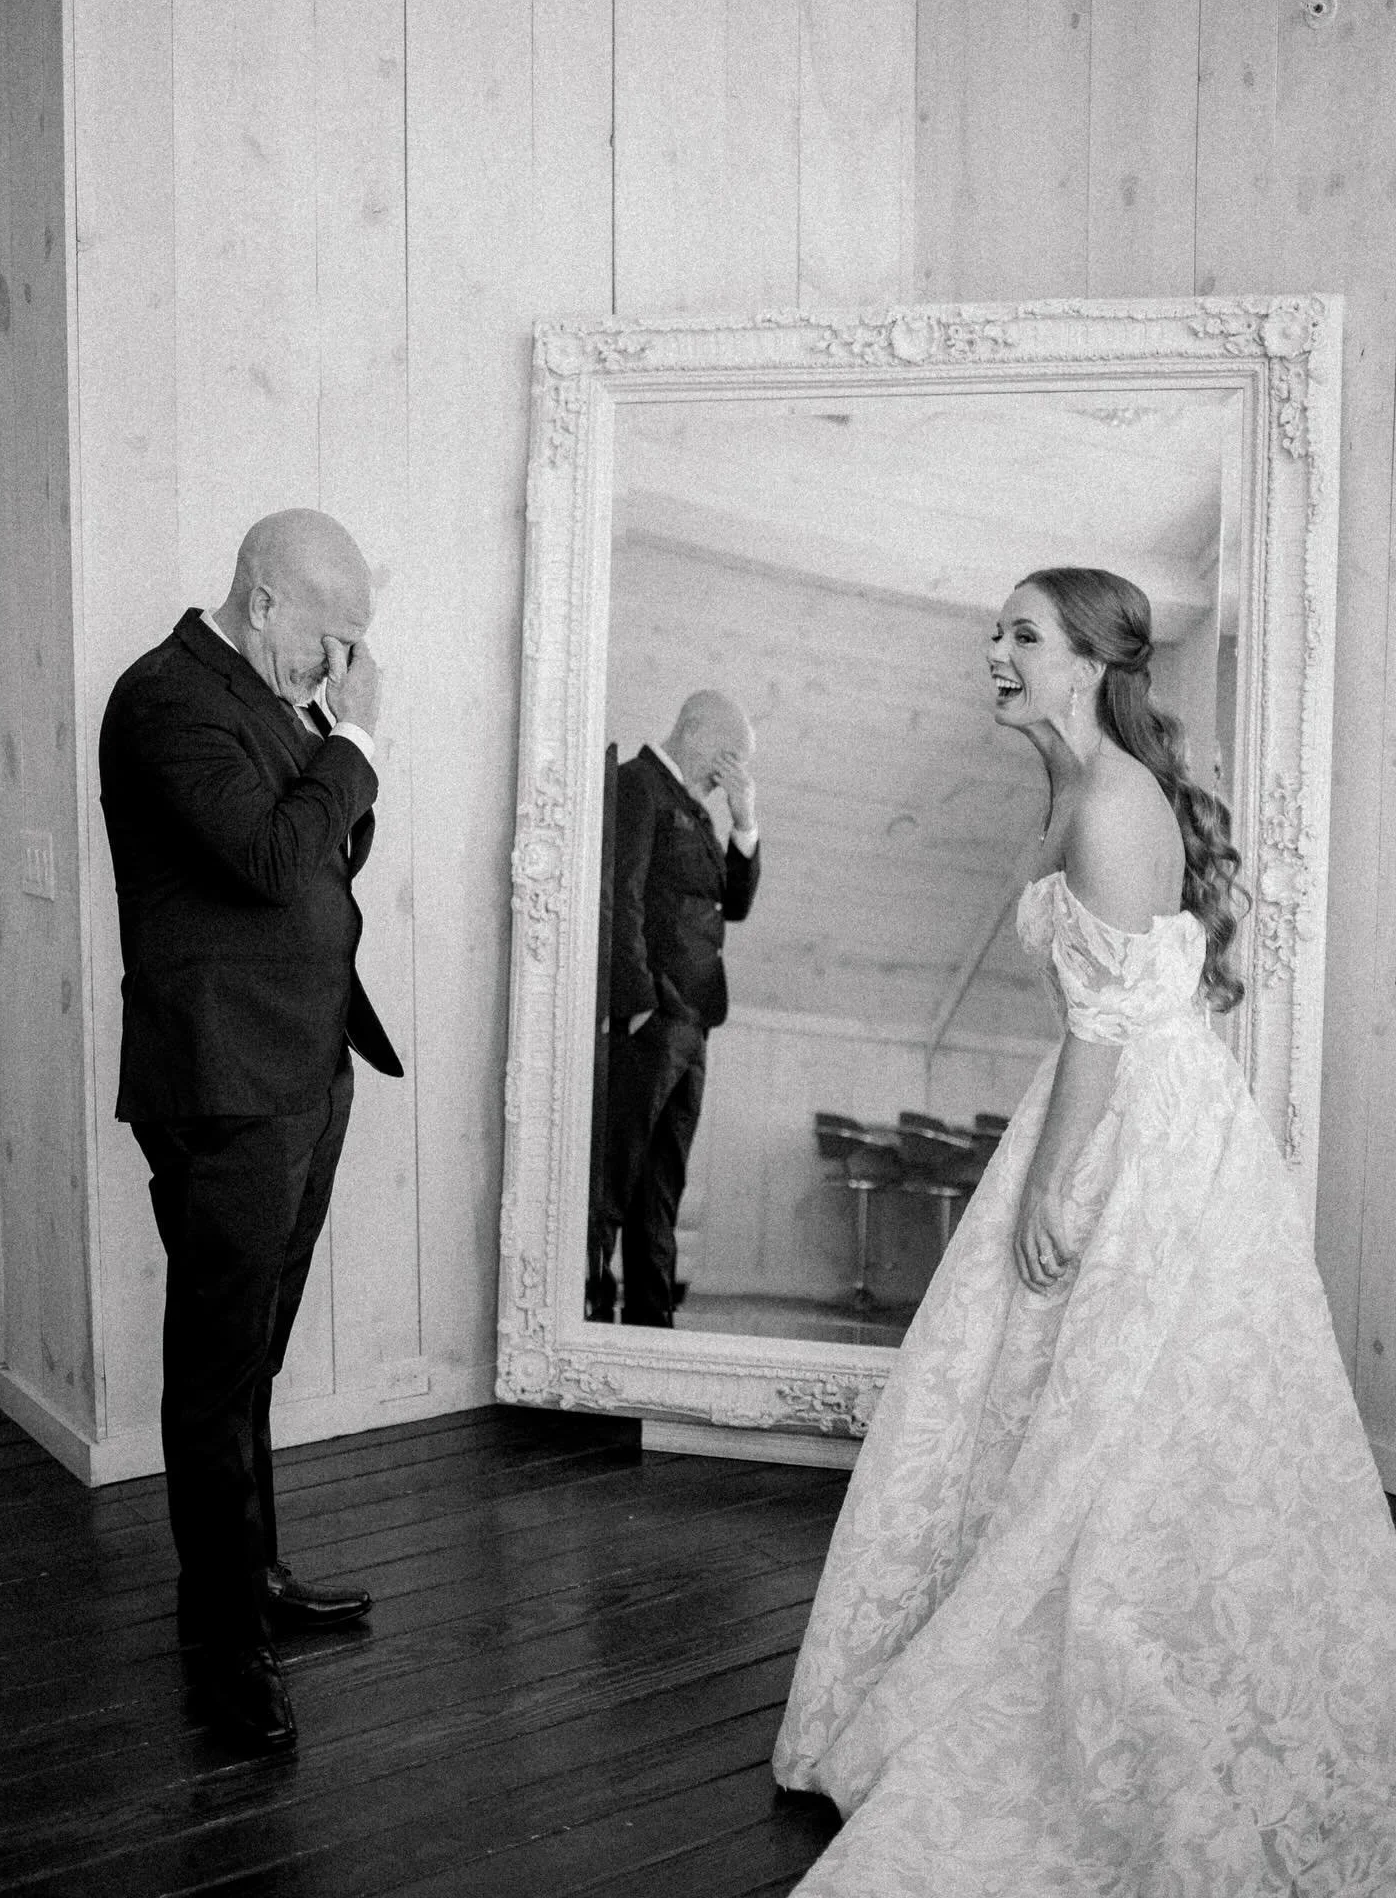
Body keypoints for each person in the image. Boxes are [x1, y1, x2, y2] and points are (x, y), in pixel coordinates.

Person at [774, 567, 1396, 1894]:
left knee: (1113, 1403)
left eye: (1023, 634)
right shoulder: (1070, 785)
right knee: (1055, 1406)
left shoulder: (1111, 802)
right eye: (994, 630)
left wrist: (1054, 1186)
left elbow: (1110, 1028)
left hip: (1134, 1124)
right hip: (1108, 1096)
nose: (992, 651)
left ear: (1091, 661)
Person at [99, 508, 403, 1752]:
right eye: (331, 642)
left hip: (304, 1063)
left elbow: (335, 851)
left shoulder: (270, 695)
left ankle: (248, 1586)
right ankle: (224, 1648)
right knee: (215, 1372)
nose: (337, 668)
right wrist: (362, 737)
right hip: (224, 1083)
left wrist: (335, 738)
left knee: (252, 1360)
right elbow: (279, 860)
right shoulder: (168, 698)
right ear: (266, 599)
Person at [588, 691, 761, 1326]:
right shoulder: (637, 786)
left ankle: (652, 1325)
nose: (730, 772)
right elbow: (620, 895)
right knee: (613, 1177)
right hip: (651, 1019)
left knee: (661, 1190)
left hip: (695, 1024)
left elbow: (734, 906)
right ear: (692, 730)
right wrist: (634, 1004)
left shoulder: (699, 812)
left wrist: (745, 823)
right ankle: (585, 1312)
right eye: (728, 756)